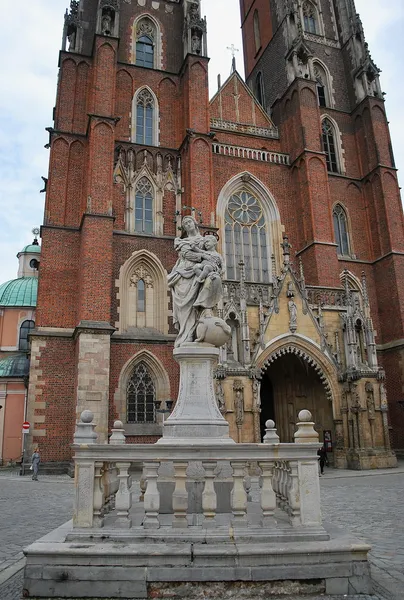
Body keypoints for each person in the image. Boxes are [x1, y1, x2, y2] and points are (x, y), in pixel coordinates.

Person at [167, 217, 223, 347]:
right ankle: (183, 334)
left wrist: (200, 258)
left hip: (195, 275)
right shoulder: (182, 241)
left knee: (192, 307)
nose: (187, 225)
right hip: (181, 274)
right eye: (184, 224)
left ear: (195, 223)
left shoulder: (203, 241)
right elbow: (182, 258)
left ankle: (191, 335)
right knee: (182, 308)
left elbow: (212, 258)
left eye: (189, 222)